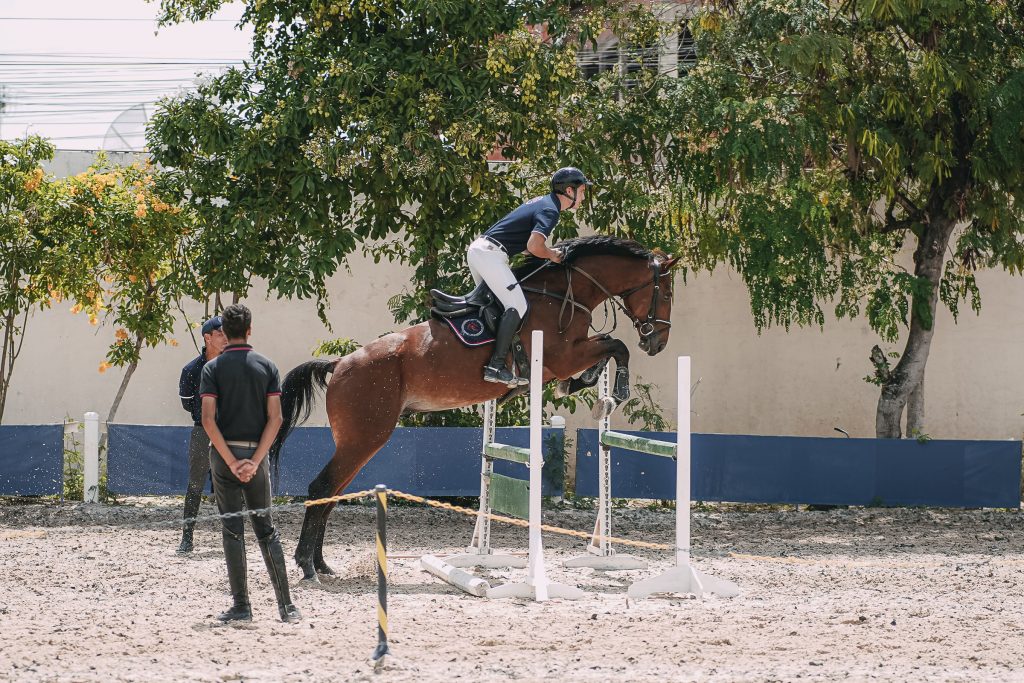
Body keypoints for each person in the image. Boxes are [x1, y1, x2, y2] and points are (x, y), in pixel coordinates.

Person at [198, 304, 300, 623]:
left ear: (224, 333)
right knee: (266, 530)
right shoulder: (267, 366)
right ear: (250, 330)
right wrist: (254, 461)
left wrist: (231, 461)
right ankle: (286, 606)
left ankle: (242, 606)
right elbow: (276, 418)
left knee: (232, 531)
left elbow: (208, 420)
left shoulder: (212, 370)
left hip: (224, 455)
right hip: (257, 455)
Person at [469, 166, 592, 386]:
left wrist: (544, 253)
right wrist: (552, 255)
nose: (583, 197)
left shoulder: (543, 203)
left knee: (497, 308)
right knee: (518, 306)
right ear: (569, 191)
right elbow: (534, 246)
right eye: (582, 191)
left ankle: (491, 358)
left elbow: (527, 247)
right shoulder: (550, 210)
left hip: (483, 251)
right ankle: (495, 366)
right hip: (490, 255)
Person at [176, 315, 226, 554]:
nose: (226, 338)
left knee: (233, 484)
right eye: (221, 334)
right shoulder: (191, 370)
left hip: (230, 430)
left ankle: (233, 536)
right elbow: (188, 405)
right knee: (195, 483)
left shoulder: (233, 366)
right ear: (208, 337)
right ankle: (187, 537)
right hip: (202, 431)